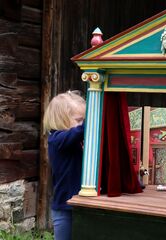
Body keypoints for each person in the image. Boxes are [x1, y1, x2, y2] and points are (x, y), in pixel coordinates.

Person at [43, 90, 86, 240]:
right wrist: (93, 118)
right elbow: (78, 132)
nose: (82, 124)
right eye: (79, 120)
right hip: (64, 207)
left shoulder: (72, 141)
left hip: (79, 204)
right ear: (61, 120)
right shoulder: (57, 140)